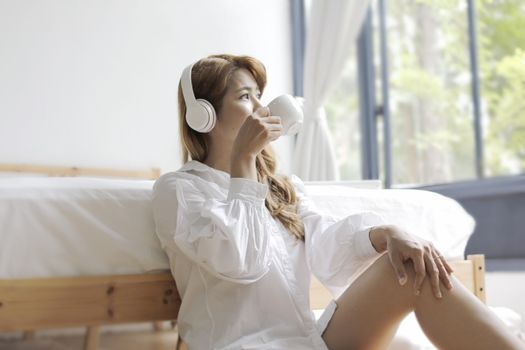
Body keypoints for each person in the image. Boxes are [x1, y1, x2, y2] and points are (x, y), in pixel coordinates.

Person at [152, 54, 524, 350]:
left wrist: (386, 233)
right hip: (239, 345)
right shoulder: (179, 191)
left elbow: (330, 254)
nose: (262, 109)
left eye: (259, 96)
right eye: (246, 97)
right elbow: (241, 261)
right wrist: (243, 163)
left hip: (309, 342)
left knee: (410, 266)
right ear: (204, 116)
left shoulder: (281, 189)